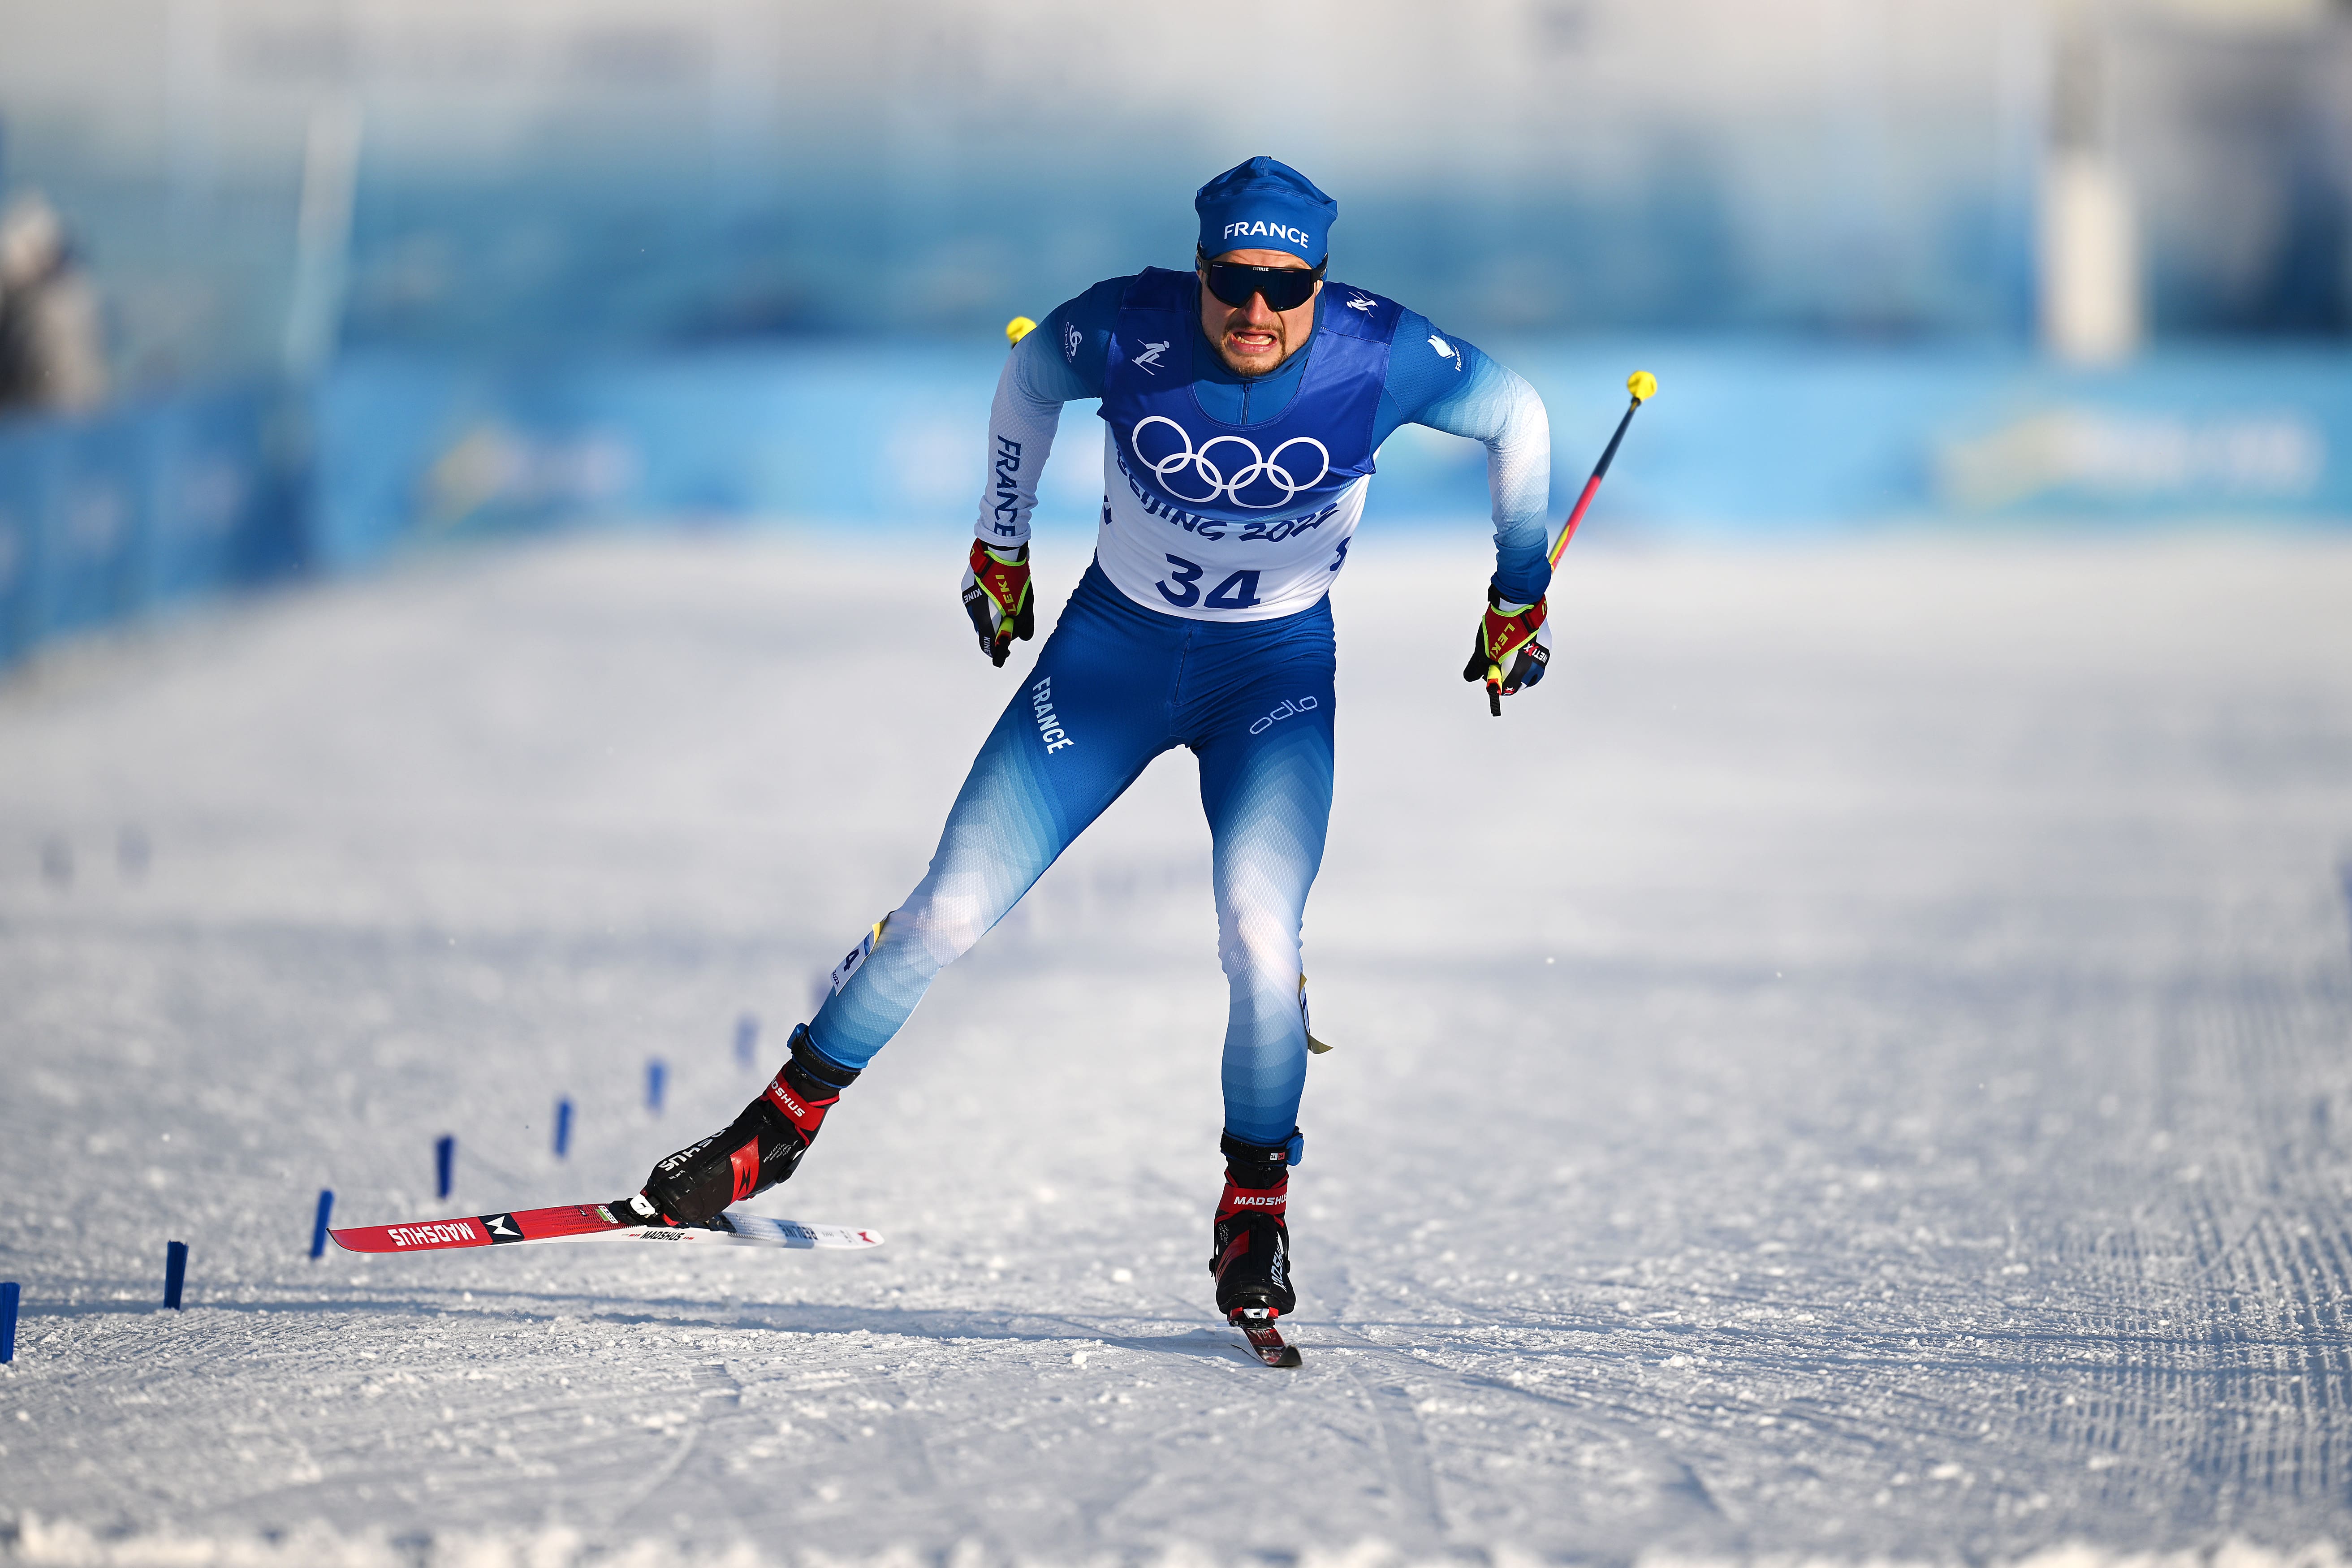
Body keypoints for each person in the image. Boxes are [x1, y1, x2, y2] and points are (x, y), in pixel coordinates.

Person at [626, 156, 1557, 1338]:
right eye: (1234, 280)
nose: (1257, 311)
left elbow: (1515, 414)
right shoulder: (1127, 324)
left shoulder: (1379, 354)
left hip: (1267, 683)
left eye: (1288, 286)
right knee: (943, 916)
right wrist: (998, 546)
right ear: (1202, 266)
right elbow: (1026, 380)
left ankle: (1254, 1207)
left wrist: (1516, 587)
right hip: (1108, 666)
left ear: (1322, 280)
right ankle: (779, 1126)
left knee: (1261, 939)